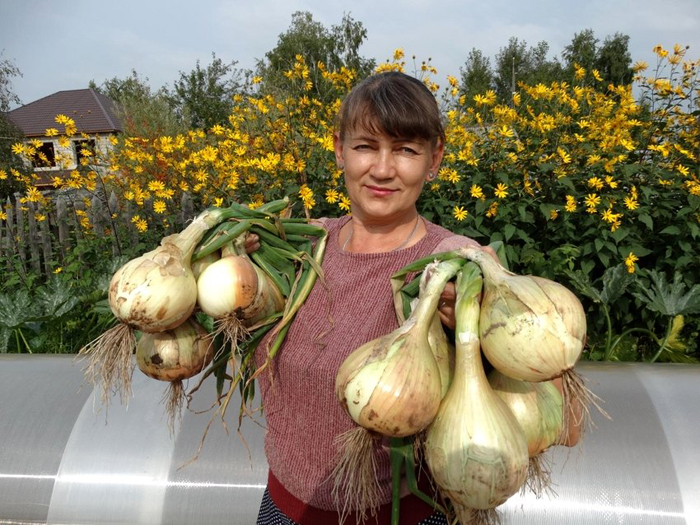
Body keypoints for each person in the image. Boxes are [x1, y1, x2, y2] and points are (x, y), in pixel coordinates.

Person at [254, 71, 579, 525]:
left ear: (435, 158)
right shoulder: (296, 249)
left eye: (406, 149)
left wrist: (471, 311)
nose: (383, 169)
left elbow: (562, 418)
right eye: (366, 146)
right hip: (283, 507)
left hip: (402, 515)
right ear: (339, 150)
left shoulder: (450, 264)